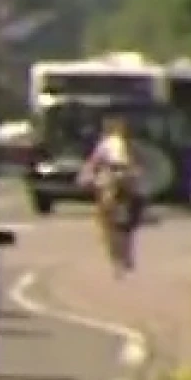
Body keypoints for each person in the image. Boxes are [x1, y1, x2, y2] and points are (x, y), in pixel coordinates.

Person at [78, 116, 142, 272]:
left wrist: (86, 178)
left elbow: (94, 164)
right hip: (119, 182)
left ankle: (120, 254)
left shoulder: (111, 145)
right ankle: (123, 254)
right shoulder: (125, 145)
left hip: (116, 182)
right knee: (122, 221)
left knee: (112, 221)